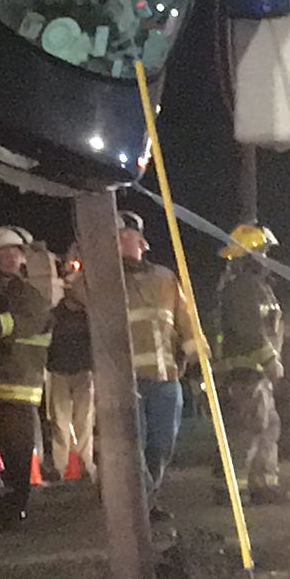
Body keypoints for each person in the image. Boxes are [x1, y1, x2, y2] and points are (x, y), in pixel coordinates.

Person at [0, 227, 56, 530]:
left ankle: (15, 508)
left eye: (14, 253)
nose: (9, 259)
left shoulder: (29, 295)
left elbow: (24, 322)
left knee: (17, 452)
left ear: (22, 259)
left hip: (19, 387)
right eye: (2, 254)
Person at [116, 213, 204, 508]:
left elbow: (186, 320)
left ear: (140, 241)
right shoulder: (105, 279)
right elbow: (76, 293)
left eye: (123, 235)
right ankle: (141, 506)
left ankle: (148, 497)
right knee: (134, 445)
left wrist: (198, 355)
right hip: (127, 381)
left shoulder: (165, 278)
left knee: (161, 444)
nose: (118, 241)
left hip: (166, 378)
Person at [213, 223, 290, 504]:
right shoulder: (243, 288)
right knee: (247, 430)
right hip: (245, 372)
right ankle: (230, 488)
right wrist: (271, 361)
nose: (268, 258)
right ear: (251, 254)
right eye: (264, 251)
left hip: (256, 373)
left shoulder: (258, 287)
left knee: (268, 426)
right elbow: (249, 330)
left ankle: (263, 484)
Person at [45, 256, 98, 481]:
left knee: (84, 420)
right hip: (59, 372)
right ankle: (61, 467)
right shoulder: (55, 315)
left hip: (84, 372)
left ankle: (85, 465)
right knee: (60, 421)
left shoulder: (90, 316)